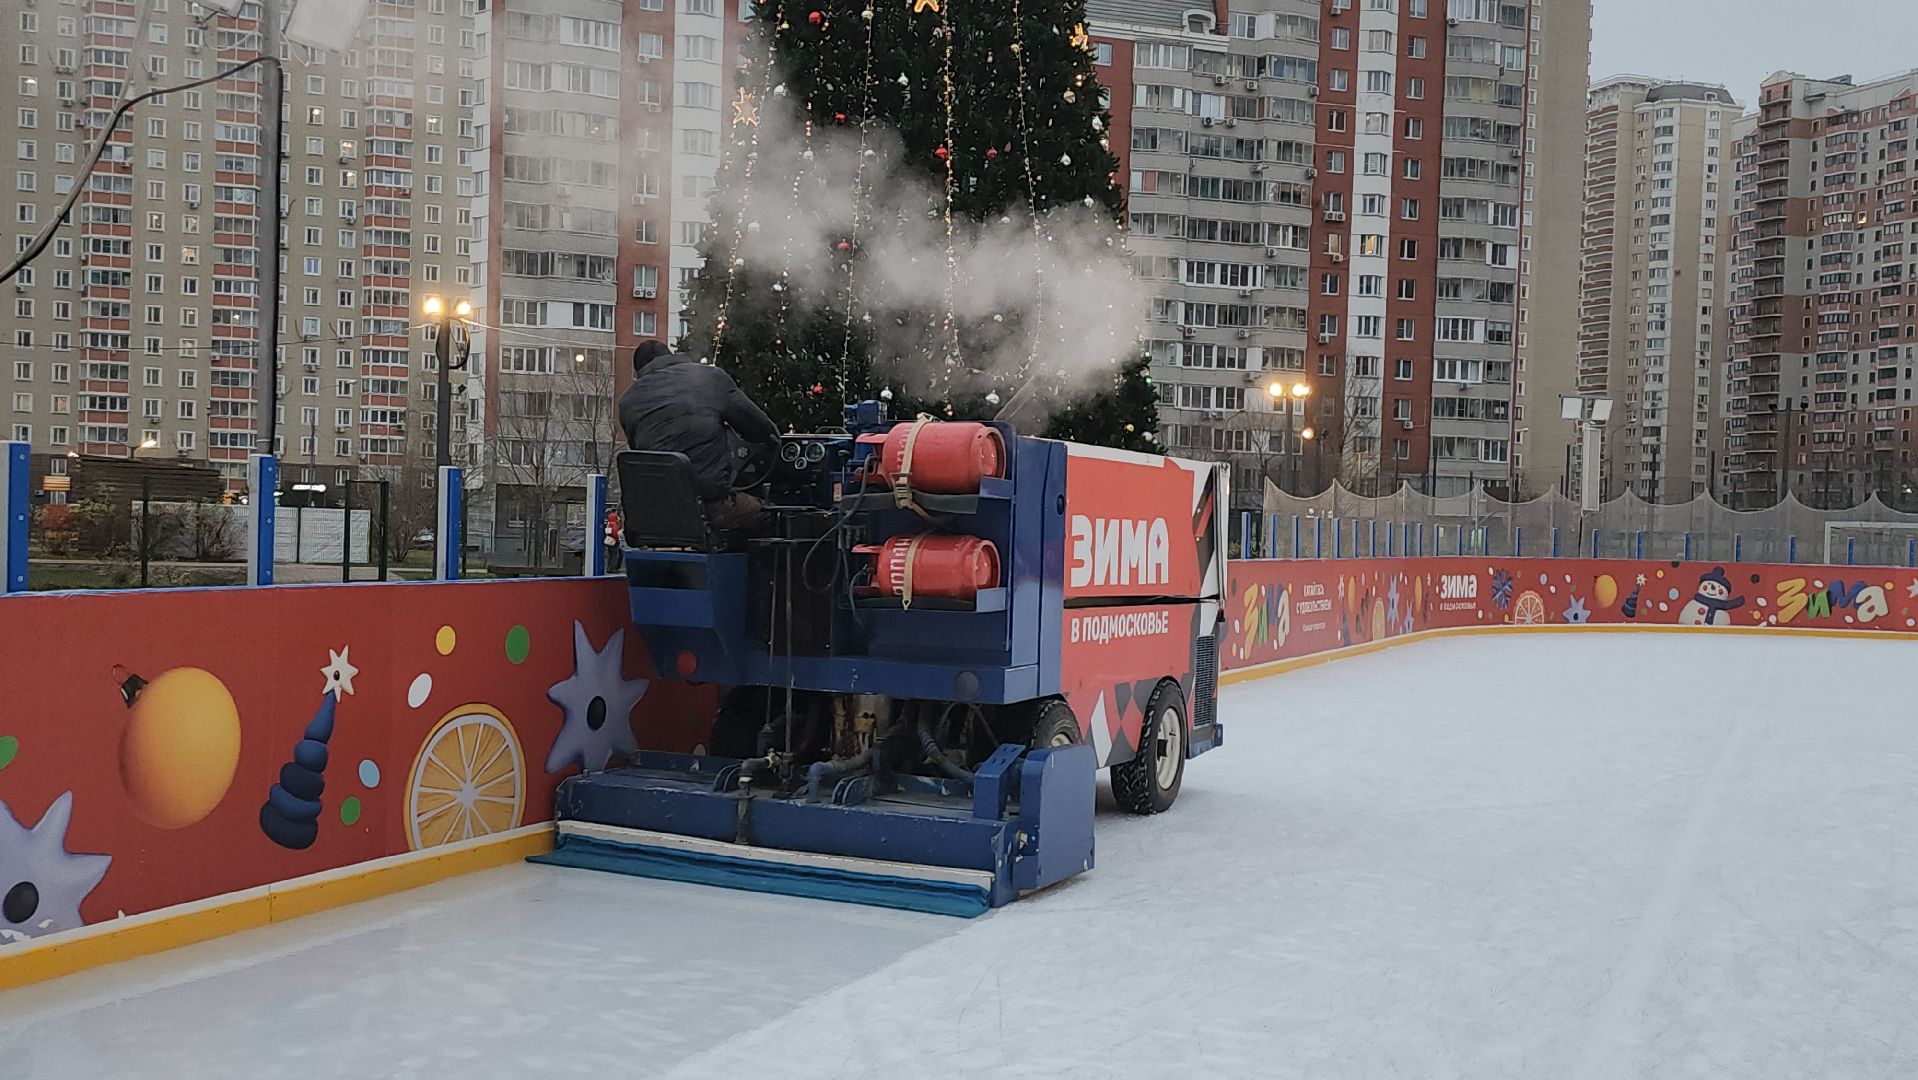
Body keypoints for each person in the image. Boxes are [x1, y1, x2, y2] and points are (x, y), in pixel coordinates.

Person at [618, 341, 781, 532]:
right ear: (671, 355)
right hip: (708, 508)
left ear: (640, 371)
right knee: (771, 514)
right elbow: (762, 430)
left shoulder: (628, 401)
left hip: (653, 516)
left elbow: (641, 454)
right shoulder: (710, 378)